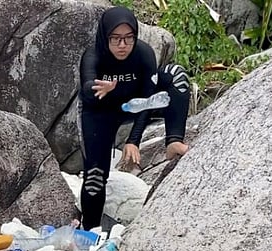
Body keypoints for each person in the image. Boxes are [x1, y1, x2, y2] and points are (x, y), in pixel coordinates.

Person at [77, 6, 191, 231]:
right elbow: (88, 87)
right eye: (116, 39)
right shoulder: (94, 55)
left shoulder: (143, 53)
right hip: (100, 112)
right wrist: (100, 88)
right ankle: (90, 233)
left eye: (128, 39)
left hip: (135, 104)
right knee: (94, 177)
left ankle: (174, 141)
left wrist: (133, 140)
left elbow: (149, 98)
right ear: (105, 36)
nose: (122, 46)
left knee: (176, 75)